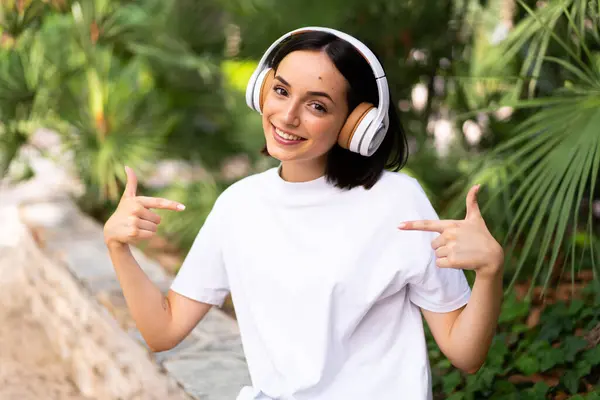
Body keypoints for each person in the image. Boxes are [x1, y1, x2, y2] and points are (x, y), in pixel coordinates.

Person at [103, 27, 504, 400]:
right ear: (262, 89)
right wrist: (118, 246)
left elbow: (465, 354)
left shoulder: (398, 202)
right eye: (281, 90)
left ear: (356, 123)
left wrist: (489, 272)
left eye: (316, 104)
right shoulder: (239, 206)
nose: (288, 115)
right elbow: (164, 330)